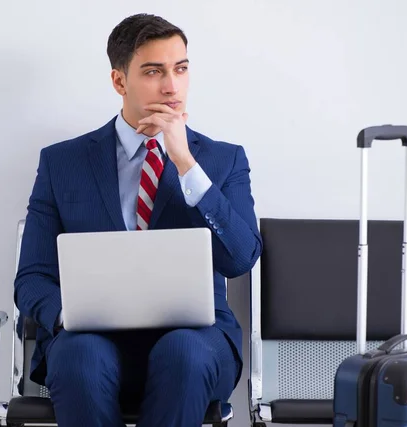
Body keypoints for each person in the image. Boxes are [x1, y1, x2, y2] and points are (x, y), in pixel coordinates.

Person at [14, 13, 262, 427]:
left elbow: (241, 258)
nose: (171, 86)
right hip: (92, 341)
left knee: (181, 352)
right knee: (79, 355)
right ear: (119, 82)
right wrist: (70, 315)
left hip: (196, 342)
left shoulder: (222, 159)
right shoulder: (62, 163)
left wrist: (184, 162)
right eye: (153, 72)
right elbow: (32, 279)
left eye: (180, 69)